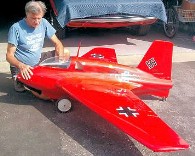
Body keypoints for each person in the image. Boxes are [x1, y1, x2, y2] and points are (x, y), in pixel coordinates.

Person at [6, 0, 70, 99]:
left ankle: (49, 77)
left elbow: (58, 43)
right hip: (23, 66)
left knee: (65, 52)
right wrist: (21, 66)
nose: (37, 22)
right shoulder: (16, 28)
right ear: (27, 14)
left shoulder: (43, 23)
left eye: (39, 18)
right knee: (45, 95)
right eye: (33, 18)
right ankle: (19, 79)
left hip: (38, 59)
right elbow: (9, 56)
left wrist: (60, 60)